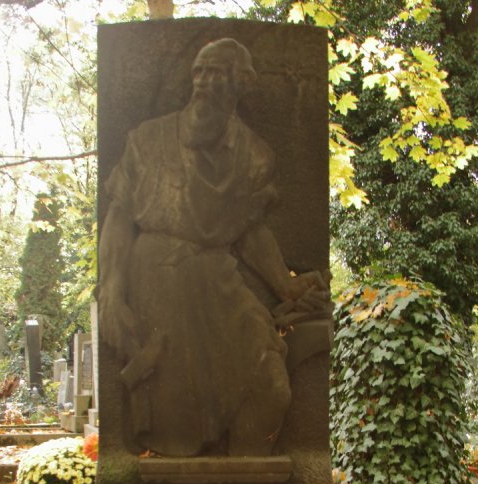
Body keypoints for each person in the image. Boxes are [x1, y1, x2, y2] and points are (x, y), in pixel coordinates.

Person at [99, 37, 327, 458]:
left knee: (272, 387)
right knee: (176, 418)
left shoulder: (255, 156)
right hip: (157, 285)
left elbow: (250, 230)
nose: (203, 82)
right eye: (199, 72)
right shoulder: (147, 140)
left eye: (216, 73)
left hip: (218, 281)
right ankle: (191, 474)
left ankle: (247, 483)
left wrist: (285, 284)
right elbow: (119, 217)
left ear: (241, 83)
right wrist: (111, 287)